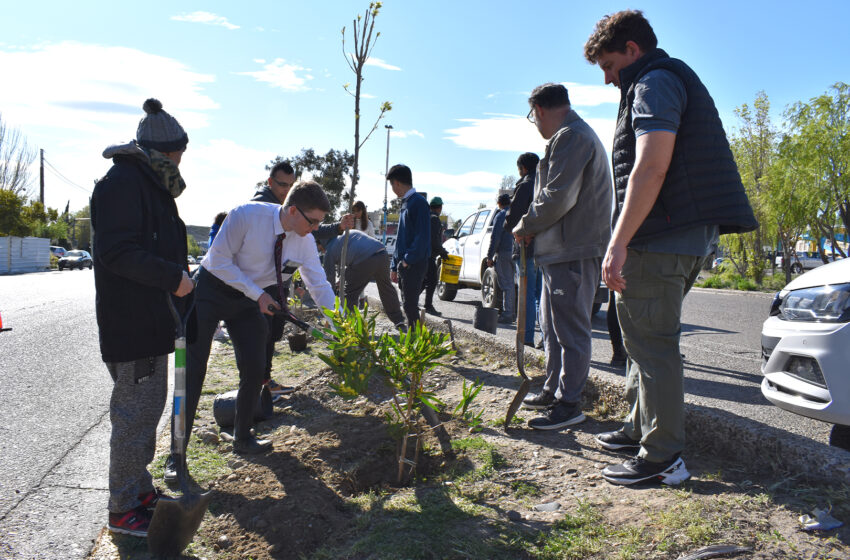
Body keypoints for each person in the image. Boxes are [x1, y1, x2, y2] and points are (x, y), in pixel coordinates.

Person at [584, 10, 757, 485]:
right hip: (681, 236)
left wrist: (617, 242)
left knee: (653, 345)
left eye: (608, 65)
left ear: (632, 50)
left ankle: (662, 458)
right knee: (643, 338)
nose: (606, 79)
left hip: (659, 239)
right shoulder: (668, 76)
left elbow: (651, 166)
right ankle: (640, 426)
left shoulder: (652, 83)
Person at [91, 98, 194, 538]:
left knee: (147, 412)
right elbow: (116, 252)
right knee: (133, 419)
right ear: (162, 151)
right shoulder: (121, 184)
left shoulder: (149, 184)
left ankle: (139, 488)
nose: (180, 163)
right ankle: (122, 510)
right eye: (177, 155)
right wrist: (172, 277)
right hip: (131, 325)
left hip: (151, 322)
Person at [182, 182, 336, 464]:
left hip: (249, 299)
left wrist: (342, 328)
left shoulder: (305, 241)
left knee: (255, 367)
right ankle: (176, 454)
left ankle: (242, 437)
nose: (315, 228)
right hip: (211, 290)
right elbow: (217, 262)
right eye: (312, 221)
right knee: (192, 372)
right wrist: (258, 294)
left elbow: (319, 285)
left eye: (319, 223)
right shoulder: (246, 216)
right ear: (292, 210)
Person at [514, 83, 613, 431]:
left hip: (573, 248)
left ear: (539, 109)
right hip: (558, 251)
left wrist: (525, 225)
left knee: (570, 330)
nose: (535, 123)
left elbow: (558, 196)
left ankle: (569, 403)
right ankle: (553, 388)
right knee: (553, 329)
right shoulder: (568, 137)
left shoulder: (573, 136)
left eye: (532, 116)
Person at [249, 162, 353, 401]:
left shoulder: (304, 231)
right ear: (270, 183)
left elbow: (319, 285)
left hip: (276, 285)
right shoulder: (255, 213)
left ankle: (264, 384)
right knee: (255, 338)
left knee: (271, 334)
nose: (285, 189)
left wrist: (339, 324)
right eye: (281, 185)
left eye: (290, 184)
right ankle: (255, 395)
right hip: (247, 289)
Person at [321, 229, 406, 329]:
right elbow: (352, 257)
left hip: (365, 260)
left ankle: (347, 326)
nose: (319, 251)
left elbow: (329, 280)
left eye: (318, 248)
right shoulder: (346, 234)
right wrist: (343, 278)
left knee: (349, 293)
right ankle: (398, 321)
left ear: (321, 243)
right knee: (386, 288)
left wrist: (330, 304)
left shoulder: (329, 250)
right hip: (382, 254)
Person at [504, 152, 542, 347]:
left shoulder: (526, 184)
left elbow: (513, 216)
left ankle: (526, 338)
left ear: (523, 168)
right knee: (542, 296)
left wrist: (511, 227)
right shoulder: (546, 183)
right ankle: (545, 338)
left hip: (525, 248)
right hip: (544, 247)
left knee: (526, 294)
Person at [387, 164, 431, 328]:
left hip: (414, 263)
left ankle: (416, 340)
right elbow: (401, 238)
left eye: (392, 184)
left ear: (397, 183)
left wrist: (407, 260)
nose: (392, 189)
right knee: (406, 303)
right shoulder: (406, 203)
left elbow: (422, 237)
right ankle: (415, 338)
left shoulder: (418, 203)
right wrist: (394, 265)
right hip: (404, 264)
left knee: (410, 305)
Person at [486, 193, 516, 324]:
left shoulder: (500, 215)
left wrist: (490, 256)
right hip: (518, 252)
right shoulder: (517, 212)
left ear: (499, 203)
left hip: (504, 252)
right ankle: (514, 313)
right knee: (517, 285)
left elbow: (495, 237)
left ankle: (508, 314)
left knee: (507, 284)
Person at [422, 196, 449, 316]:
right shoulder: (434, 219)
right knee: (432, 281)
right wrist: (442, 252)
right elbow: (434, 240)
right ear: (440, 207)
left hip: (422, 254)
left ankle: (409, 301)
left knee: (423, 280)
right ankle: (428, 306)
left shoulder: (426, 217)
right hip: (428, 255)